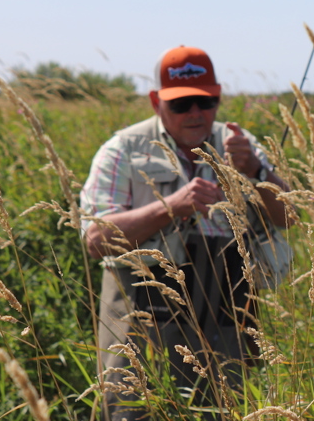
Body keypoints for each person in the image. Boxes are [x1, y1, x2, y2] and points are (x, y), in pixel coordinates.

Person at [80, 46, 292, 421]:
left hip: (228, 300)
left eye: (205, 101)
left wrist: (257, 171)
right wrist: (171, 206)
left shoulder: (241, 144)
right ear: (155, 101)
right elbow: (96, 240)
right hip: (143, 300)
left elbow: (289, 216)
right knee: (134, 409)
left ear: (218, 96)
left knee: (227, 407)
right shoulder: (124, 149)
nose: (196, 113)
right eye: (181, 104)